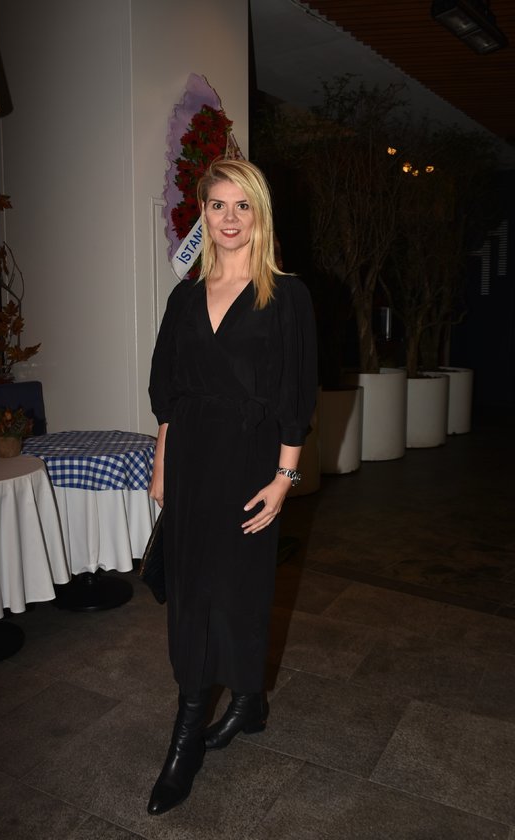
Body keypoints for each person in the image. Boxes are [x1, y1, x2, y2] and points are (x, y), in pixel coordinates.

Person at [147, 158, 317, 816]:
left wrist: (284, 478)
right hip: (190, 463)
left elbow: (295, 397)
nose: (229, 217)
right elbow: (168, 395)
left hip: (250, 465)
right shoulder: (184, 299)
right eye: (217, 204)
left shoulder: (287, 296)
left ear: (260, 215)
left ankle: (228, 712)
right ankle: (208, 718)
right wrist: (162, 467)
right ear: (204, 213)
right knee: (191, 596)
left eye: (242, 205)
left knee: (238, 594)